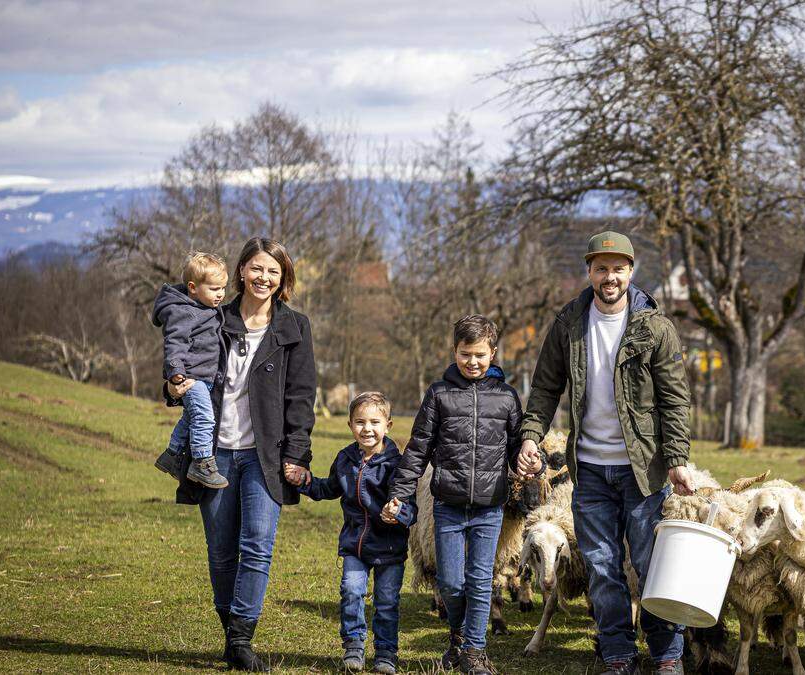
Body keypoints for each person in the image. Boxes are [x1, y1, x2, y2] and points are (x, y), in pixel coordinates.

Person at [516, 231, 695, 675]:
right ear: (589, 270)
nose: (609, 276)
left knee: (650, 563)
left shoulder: (655, 327)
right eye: (601, 268)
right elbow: (544, 389)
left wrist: (676, 459)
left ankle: (666, 653)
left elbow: (675, 399)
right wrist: (530, 437)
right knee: (601, 567)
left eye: (618, 268)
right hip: (590, 470)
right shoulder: (569, 323)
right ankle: (617, 653)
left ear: (630, 271)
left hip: (643, 470)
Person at [166, 237, 316, 672]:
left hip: (264, 456)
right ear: (241, 271)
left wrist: (298, 454)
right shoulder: (213, 317)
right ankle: (230, 634)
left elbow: (302, 397)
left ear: (283, 277)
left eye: (273, 271)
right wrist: (171, 384)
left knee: (257, 547)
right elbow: (179, 357)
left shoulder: (295, 327)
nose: (263, 278)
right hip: (213, 453)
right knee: (220, 551)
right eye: (256, 268)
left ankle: (241, 638)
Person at [384, 315, 541, 675]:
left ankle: (474, 652)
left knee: (480, 580)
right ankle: (457, 635)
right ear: (455, 351)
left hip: (489, 507)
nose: (472, 362)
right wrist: (401, 493)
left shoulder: (506, 397)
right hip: (448, 505)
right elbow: (418, 449)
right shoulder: (439, 394)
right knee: (452, 583)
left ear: (493, 353)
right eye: (465, 354)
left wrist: (534, 460)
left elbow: (519, 445)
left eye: (480, 355)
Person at [283, 391, 415, 674]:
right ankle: (354, 646)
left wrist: (398, 513)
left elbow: (411, 510)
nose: (367, 429)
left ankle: (385, 653)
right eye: (360, 422)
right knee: (352, 591)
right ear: (350, 425)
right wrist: (303, 482)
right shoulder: (345, 458)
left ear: (388, 425)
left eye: (374, 422)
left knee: (387, 602)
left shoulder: (398, 464)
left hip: (389, 548)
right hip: (355, 544)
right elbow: (329, 488)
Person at [153, 251, 230, 488]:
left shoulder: (205, 307)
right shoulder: (184, 311)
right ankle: (202, 463)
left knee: (190, 418)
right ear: (193, 287)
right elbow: (175, 341)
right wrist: (175, 371)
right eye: (215, 289)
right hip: (191, 378)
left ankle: (172, 455)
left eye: (223, 288)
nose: (221, 294)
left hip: (204, 377)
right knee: (205, 418)